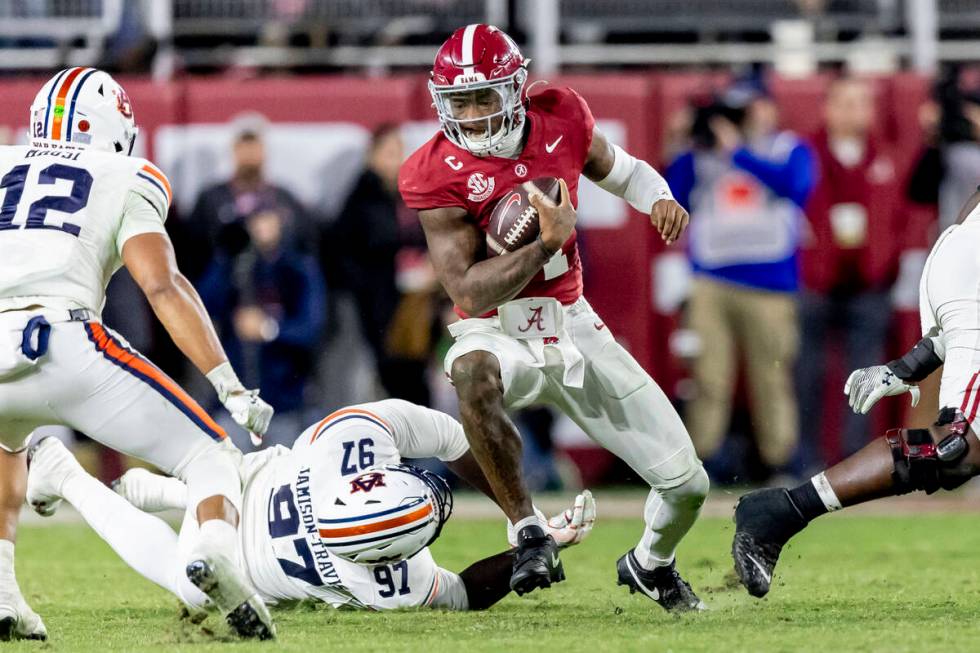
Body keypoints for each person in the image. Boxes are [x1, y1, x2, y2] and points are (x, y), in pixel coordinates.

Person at [398, 24, 708, 610]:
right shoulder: (432, 171)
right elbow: (466, 286)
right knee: (470, 372)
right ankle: (529, 532)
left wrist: (659, 196)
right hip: (494, 328)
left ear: (515, 89)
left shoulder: (560, 115)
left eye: (482, 96)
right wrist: (543, 246)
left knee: (688, 484)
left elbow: (624, 170)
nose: (470, 114)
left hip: (569, 321)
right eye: (458, 100)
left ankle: (651, 563)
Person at [0, 68, 276, 640]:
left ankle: (2, 594)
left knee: (7, 450)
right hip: (62, 340)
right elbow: (161, 284)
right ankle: (214, 552)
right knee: (210, 458)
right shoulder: (127, 173)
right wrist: (227, 382)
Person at [26, 399, 596, 613]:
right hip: (248, 567)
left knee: (226, 475)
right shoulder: (384, 582)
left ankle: (168, 493)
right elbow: (468, 591)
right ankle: (70, 478)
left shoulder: (344, 442)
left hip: (240, 482)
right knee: (188, 584)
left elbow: (448, 435)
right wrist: (531, 533)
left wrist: (531, 528)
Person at [731, 189, 980, 599]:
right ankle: (779, 512)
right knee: (957, 445)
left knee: (956, 459)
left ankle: (782, 511)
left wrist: (912, 363)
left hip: (961, 256)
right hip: (971, 266)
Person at [668, 78, 816, 480]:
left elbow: (796, 188)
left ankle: (779, 460)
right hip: (712, 280)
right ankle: (699, 464)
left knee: (771, 375)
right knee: (709, 377)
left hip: (770, 283)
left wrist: (738, 152)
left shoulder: (788, 148)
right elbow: (670, 196)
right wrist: (681, 142)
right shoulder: (703, 153)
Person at [798, 77, 903, 466]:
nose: (852, 111)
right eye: (844, 102)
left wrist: (886, 262)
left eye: (861, 103)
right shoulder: (804, 154)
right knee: (808, 374)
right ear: (827, 108)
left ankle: (856, 458)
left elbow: (898, 217)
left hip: (869, 281)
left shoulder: (885, 156)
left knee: (868, 376)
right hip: (817, 279)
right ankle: (805, 458)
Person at [199, 207, 327, 447]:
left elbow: (310, 328)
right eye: (255, 221)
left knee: (283, 476)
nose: (261, 228)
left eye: (267, 218)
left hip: (285, 400)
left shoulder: (298, 267)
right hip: (235, 399)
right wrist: (226, 256)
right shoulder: (235, 266)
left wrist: (269, 328)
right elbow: (202, 305)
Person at [327, 124, 436, 405]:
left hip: (417, 303)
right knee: (389, 381)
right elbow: (344, 257)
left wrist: (429, 267)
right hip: (377, 308)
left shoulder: (411, 195)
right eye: (389, 153)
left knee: (418, 377)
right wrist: (381, 281)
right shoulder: (360, 201)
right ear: (371, 157)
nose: (396, 159)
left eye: (399, 151)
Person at [179, 118, 310, 281]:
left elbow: (306, 243)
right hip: (225, 283)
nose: (249, 153)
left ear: (265, 150)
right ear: (233, 150)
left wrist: (279, 235)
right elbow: (192, 249)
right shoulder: (212, 197)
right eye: (244, 145)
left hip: (277, 282)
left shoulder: (284, 198)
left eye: (254, 145)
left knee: (307, 269)